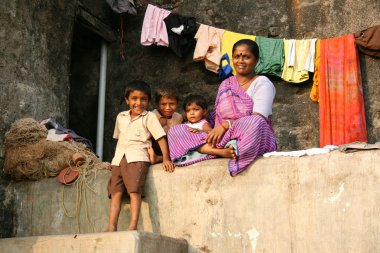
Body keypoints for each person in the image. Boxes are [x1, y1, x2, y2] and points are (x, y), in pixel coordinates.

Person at [168, 39, 277, 176]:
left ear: (256, 60)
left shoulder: (262, 83)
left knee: (254, 122)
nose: (241, 61)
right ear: (232, 59)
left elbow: (259, 118)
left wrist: (226, 125)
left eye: (246, 57)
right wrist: (199, 128)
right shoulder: (226, 84)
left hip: (248, 134)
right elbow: (216, 115)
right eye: (237, 56)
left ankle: (217, 149)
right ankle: (219, 152)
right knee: (176, 130)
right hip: (221, 137)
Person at [106, 80, 175, 232]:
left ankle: (132, 227)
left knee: (134, 193)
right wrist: (113, 161)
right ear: (127, 100)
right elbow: (119, 139)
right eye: (134, 99)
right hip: (119, 159)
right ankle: (111, 226)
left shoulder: (149, 117)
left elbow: (160, 137)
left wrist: (166, 158)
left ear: (148, 101)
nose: (138, 103)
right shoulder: (121, 117)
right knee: (116, 193)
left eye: (143, 99)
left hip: (137, 158)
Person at [148, 87, 183, 164]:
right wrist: (159, 124)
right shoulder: (151, 116)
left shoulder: (178, 117)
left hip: (171, 147)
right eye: (163, 104)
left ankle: (159, 158)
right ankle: (159, 157)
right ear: (157, 104)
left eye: (172, 104)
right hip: (154, 147)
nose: (168, 108)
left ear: (177, 103)